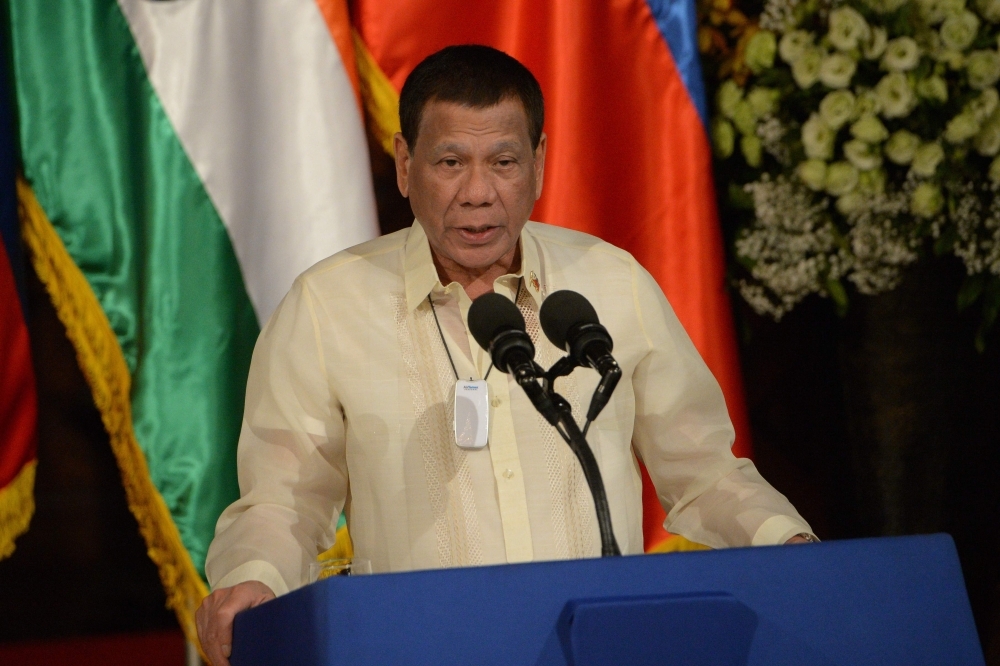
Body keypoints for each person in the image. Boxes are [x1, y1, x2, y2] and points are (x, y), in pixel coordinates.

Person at [195, 44, 815, 665]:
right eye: (449, 162)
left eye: (504, 161)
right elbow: (285, 500)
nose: (478, 193)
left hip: (595, 649)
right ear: (405, 164)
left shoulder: (610, 282)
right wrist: (254, 577)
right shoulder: (327, 305)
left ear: (539, 164)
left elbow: (703, 469)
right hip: (419, 650)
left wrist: (786, 542)